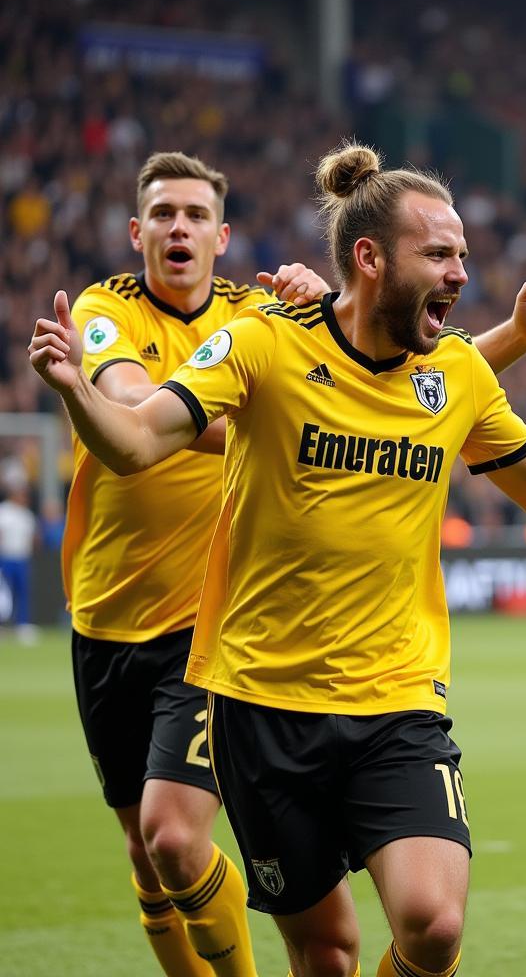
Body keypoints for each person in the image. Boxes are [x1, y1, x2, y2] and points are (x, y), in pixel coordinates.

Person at [29, 142, 526, 977]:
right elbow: (139, 440)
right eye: (439, 254)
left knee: (433, 927)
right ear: (370, 258)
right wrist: (76, 388)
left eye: (463, 256)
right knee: (326, 953)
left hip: (398, 702)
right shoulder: (263, 343)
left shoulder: (458, 371)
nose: (461, 273)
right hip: (259, 706)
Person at [61, 149, 337, 977]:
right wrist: (260, 416)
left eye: (194, 215)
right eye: (163, 214)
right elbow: (135, 402)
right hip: (104, 619)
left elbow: (353, 370)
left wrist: (323, 305)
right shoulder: (102, 307)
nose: (178, 227)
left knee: (176, 836)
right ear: (136, 230)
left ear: (223, 235)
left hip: (210, 628)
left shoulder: (255, 314)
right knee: (149, 863)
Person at [0, 472, 38, 643]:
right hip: (5, 558)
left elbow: (33, 537)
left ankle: (22, 625)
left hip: (22, 559)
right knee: (4, 594)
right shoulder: (4, 511)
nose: (24, 497)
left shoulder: (27, 515)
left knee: (22, 592)